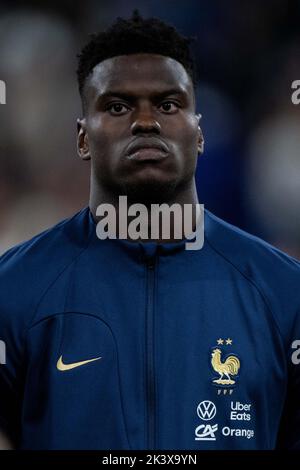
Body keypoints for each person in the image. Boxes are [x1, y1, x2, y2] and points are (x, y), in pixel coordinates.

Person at [0, 10, 300, 450]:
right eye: (118, 106)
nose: (146, 122)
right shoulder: (14, 290)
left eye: (168, 104)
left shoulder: (283, 292)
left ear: (198, 133)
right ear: (82, 138)